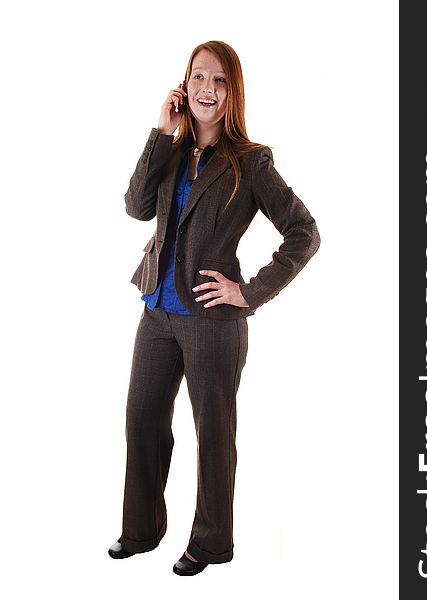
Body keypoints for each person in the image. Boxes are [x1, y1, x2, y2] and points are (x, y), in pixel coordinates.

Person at [108, 40, 321, 576]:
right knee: (142, 419)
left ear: (232, 92)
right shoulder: (174, 151)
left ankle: (209, 543)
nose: (207, 88)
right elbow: (135, 206)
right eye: (198, 77)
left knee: (214, 431)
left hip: (211, 319)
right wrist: (160, 130)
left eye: (219, 80)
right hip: (157, 307)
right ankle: (141, 530)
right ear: (185, 85)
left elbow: (305, 232)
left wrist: (249, 290)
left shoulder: (251, 163)